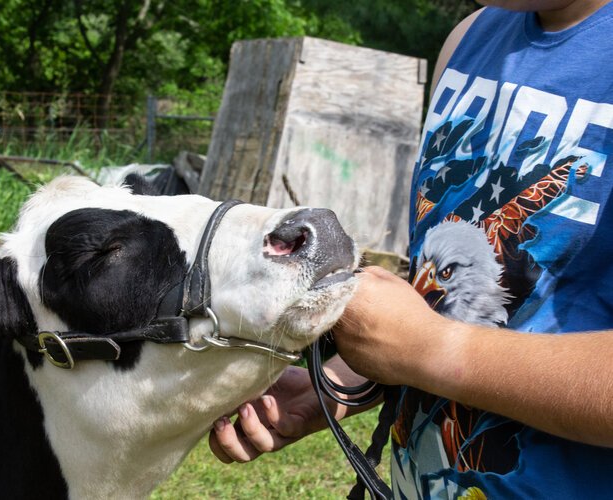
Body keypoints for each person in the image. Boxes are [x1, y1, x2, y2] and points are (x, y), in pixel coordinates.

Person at [210, 0, 613, 497]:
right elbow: (446, 308)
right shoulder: (469, 39)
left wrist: (428, 351)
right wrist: (342, 382)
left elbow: (436, 343)